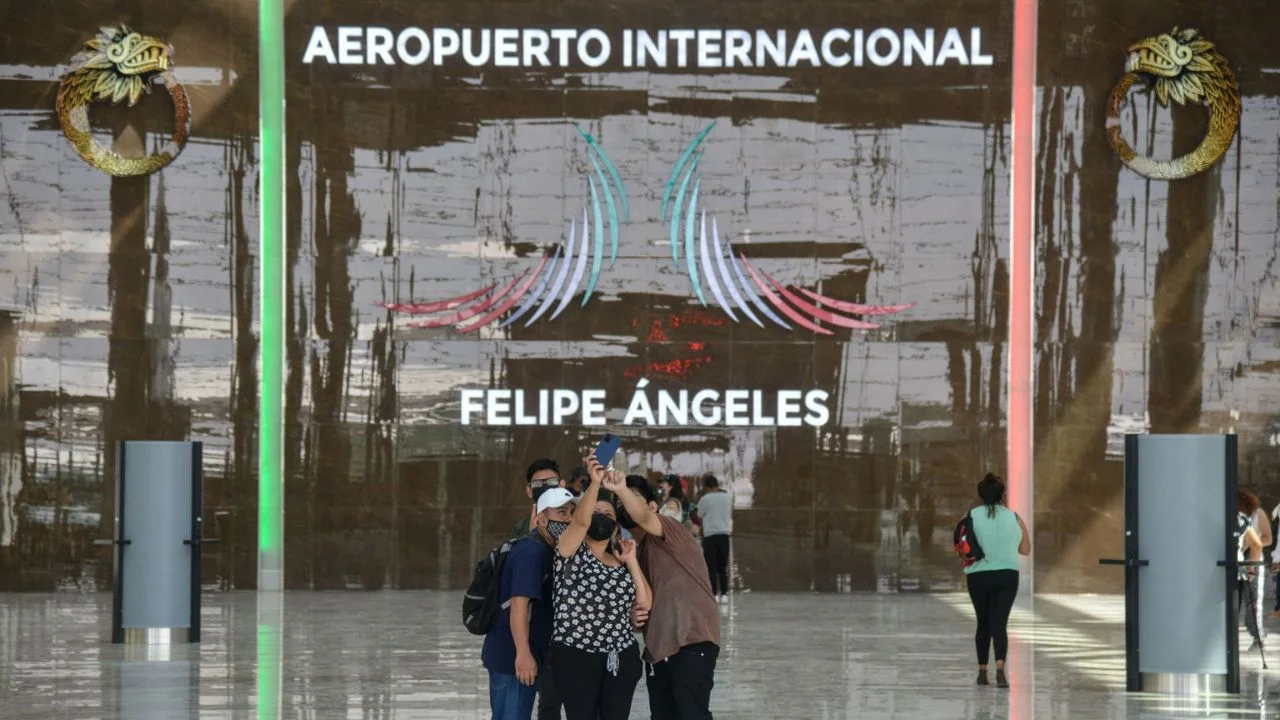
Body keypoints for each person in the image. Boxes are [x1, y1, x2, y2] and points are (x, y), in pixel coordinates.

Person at [607, 466, 721, 720]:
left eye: (631, 498)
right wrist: (634, 616)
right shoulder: (630, 554)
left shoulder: (670, 529)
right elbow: (641, 612)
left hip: (691, 640)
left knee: (692, 715)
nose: (623, 503)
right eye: (619, 501)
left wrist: (620, 488)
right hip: (658, 652)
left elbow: (643, 517)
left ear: (653, 506)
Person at [550, 458, 651, 720]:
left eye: (608, 515)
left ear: (615, 527)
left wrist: (632, 562)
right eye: (595, 511)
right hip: (576, 655)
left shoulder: (621, 560)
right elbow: (580, 524)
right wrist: (594, 484)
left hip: (620, 656)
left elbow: (645, 603)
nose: (601, 517)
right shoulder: (569, 552)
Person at [482, 488, 576, 719]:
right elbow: (519, 604)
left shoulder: (547, 548)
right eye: (562, 512)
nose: (569, 519)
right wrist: (523, 654)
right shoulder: (531, 551)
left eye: (572, 513)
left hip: (524, 652)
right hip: (512, 656)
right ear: (541, 519)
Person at [964, 473, 1030, 688]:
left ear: (981, 494)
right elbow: (1025, 549)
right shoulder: (1014, 518)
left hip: (978, 576)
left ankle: (982, 673)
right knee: (999, 624)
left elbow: (962, 547)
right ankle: (1000, 670)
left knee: (983, 623)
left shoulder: (971, 516)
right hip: (1007, 576)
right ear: (1003, 495)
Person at [694, 474, 733, 604]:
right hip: (724, 534)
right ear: (717, 485)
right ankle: (725, 594)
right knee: (723, 565)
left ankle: (714, 593)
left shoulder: (705, 499)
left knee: (711, 566)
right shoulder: (727, 498)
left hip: (710, 535)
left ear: (706, 487)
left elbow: (698, 514)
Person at [1237, 491, 1265, 651]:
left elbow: (1260, 543)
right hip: (1237, 567)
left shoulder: (1247, 517)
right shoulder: (1242, 519)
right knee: (1235, 608)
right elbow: (1256, 544)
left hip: (1237, 566)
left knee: (1251, 602)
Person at [512, 459, 563, 538]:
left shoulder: (576, 520)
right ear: (529, 491)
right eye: (537, 483)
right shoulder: (520, 529)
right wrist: (531, 537)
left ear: (562, 486)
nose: (545, 488)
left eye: (552, 481)